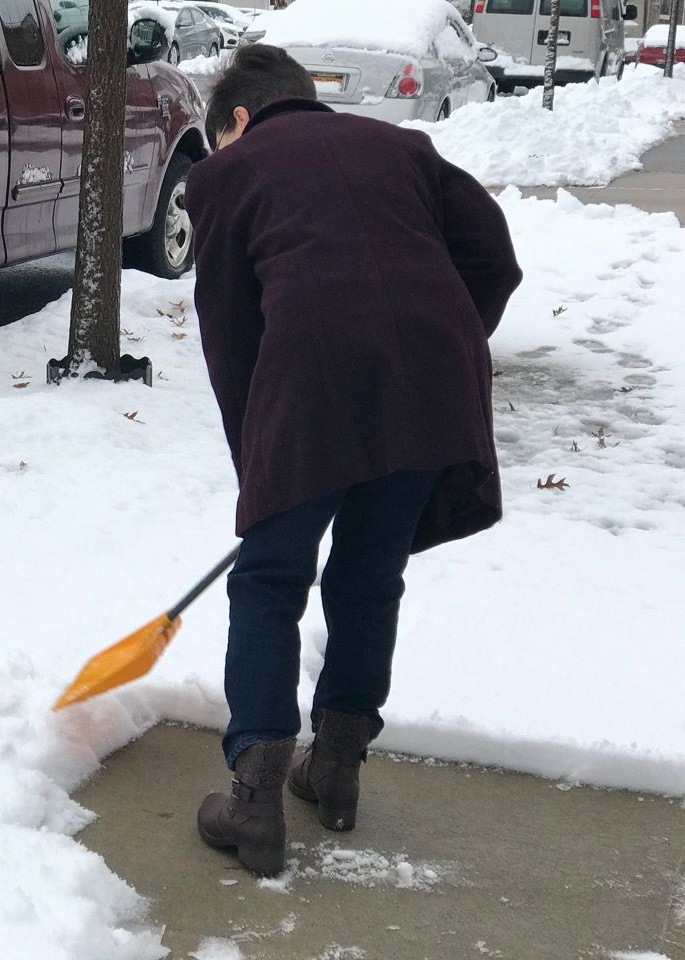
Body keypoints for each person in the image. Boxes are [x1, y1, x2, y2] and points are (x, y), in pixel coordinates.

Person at [186, 44, 523, 876]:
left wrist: (260, 460)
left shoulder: (226, 175)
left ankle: (256, 802)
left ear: (236, 119)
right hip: (426, 383)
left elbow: (230, 334)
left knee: (270, 578)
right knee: (369, 573)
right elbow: (494, 259)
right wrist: (435, 347)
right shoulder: (403, 146)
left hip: (311, 377)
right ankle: (335, 770)